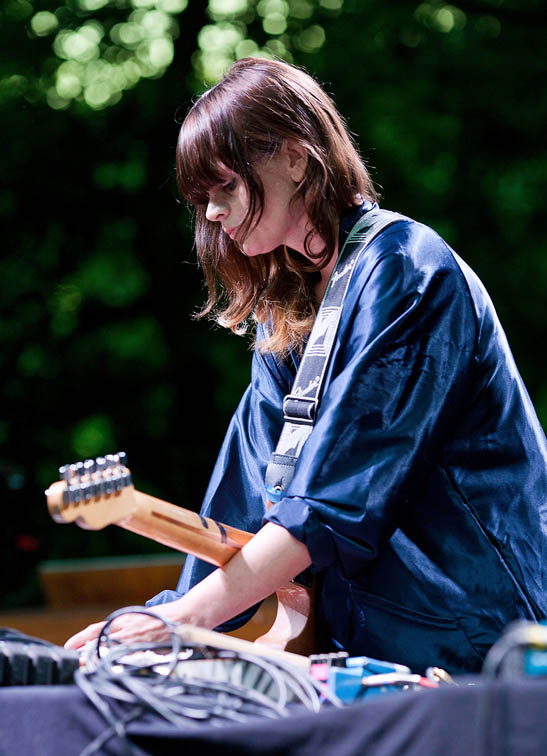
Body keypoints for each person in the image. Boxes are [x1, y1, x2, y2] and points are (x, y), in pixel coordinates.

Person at [66, 57, 547, 674]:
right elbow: (246, 504)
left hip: (478, 642)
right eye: (201, 199)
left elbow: (332, 502)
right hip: (372, 651)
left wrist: (184, 620)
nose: (211, 214)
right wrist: (163, 615)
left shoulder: (407, 270)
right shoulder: (287, 314)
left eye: (226, 188)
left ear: (295, 159)